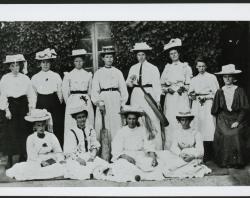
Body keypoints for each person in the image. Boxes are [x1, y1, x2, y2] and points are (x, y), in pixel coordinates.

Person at [93, 105, 165, 182]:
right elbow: (116, 149)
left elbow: (148, 145)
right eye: (129, 119)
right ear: (126, 119)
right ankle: (136, 175)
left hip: (140, 155)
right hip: (126, 156)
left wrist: (153, 158)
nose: (131, 121)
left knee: (153, 164)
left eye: (134, 119)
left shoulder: (142, 130)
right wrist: (126, 157)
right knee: (122, 165)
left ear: (137, 119)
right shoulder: (122, 131)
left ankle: (136, 175)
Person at [6, 109, 65, 181]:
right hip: (36, 161)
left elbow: (58, 151)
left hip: (50, 159)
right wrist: (41, 162)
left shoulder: (51, 136)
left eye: (43, 125)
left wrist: (60, 159)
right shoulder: (31, 138)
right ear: (34, 127)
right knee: (30, 170)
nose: (41, 128)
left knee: (62, 166)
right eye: (39, 125)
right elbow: (31, 155)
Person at [0, 54, 36, 167]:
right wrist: (6, 110)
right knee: (10, 132)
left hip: (22, 106)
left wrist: (31, 108)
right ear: (9, 67)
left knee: (23, 130)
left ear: (20, 66)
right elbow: (3, 95)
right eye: (12, 65)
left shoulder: (25, 78)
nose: (15, 68)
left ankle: (22, 155)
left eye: (17, 65)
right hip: (11, 106)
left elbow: (31, 94)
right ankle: (9, 158)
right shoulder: (5, 78)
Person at [212, 64, 249, 168]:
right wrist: (216, 124)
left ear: (234, 78)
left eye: (229, 76)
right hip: (223, 118)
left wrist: (238, 121)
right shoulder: (219, 91)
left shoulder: (239, 90)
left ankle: (237, 162)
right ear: (222, 78)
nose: (227, 79)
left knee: (236, 133)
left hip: (237, 118)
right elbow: (215, 110)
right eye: (225, 76)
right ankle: (225, 161)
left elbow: (244, 109)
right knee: (226, 133)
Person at [126, 42, 163, 150]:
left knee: (152, 119)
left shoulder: (153, 68)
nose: (140, 57)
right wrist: (131, 80)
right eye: (138, 55)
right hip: (136, 94)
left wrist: (157, 100)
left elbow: (157, 85)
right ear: (136, 56)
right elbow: (128, 84)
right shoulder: (133, 68)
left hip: (149, 94)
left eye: (142, 55)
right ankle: (139, 147)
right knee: (139, 119)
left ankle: (155, 147)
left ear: (146, 55)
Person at [161, 38, 193, 149]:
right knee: (170, 119)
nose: (173, 55)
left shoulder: (185, 66)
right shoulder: (167, 68)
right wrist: (167, 89)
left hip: (181, 96)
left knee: (182, 117)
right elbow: (162, 85)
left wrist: (183, 88)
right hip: (170, 97)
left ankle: (184, 145)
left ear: (178, 54)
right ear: (169, 56)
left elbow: (190, 84)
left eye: (175, 53)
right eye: (171, 54)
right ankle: (170, 148)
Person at [91, 46, 128, 142]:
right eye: (107, 57)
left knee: (116, 123)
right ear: (103, 58)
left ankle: (117, 148)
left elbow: (123, 89)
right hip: (104, 99)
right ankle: (104, 149)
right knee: (104, 123)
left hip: (115, 99)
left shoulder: (118, 72)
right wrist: (99, 103)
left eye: (111, 57)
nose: (109, 59)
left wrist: (122, 103)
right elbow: (94, 90)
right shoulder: (98, 73)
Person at [63, 106, 108, 180]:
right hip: (77, 158)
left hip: (89, 156)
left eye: (83, 117)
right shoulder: (71, 132)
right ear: (75, 119)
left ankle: (93, 172)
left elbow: (94, 145)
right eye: (79, 117)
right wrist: (79, 159)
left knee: (105, 165)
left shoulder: (90, 129)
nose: (82, 119)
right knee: (79, 170)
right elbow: (69, 151)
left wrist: (92, 157)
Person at [62, 49, 94, 150]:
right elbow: (65, 91)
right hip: (73, 100)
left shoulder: (88, 75)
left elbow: (90, 90)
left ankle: (88, 146)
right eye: (76, 61)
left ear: (83, 61)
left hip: (85, 100)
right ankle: (72, 149)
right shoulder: (68, 75)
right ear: (73, 62)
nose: (78, 63)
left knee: (87, 121)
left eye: (80, 61)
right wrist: (70, 103)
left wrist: (86, 100)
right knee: (72, 123)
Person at [189, 57, 219, 162]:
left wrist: (206, 97)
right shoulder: (194, 79)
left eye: (203, 66)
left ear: (206, 66)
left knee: (209, 126)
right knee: (198, 125)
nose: (201, 68)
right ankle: (201, 153)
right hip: (197, 104)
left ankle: (211, 153)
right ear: (196, 67)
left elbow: (217, 93)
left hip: (208, 103)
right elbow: (190, 93)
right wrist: (192, 96)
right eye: (199, 66)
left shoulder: (212, 77)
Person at [164, 111, 211, 178]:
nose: (185, 122)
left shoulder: (196, 133)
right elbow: (173, 147)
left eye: (187, 120)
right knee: (167, 156)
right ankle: (181, 166)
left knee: (185, 162)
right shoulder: (177, 132)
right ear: (179, 121)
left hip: (192, 156)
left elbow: (201, 150)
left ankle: (184, 166)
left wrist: (192, 156)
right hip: (182, 156)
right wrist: (180, 154)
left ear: (190, 120)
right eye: (182, 120)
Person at [31, 48, 64, 145]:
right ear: (40, 64)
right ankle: (43, 146)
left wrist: (59, 103)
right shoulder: (35, 77)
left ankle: (57, 146)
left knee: (56, 124)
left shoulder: (56, 75)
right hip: (41, 102)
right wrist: (34, 107)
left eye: (47, 62)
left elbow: (60, 91)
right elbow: (34, 93)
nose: (45, 64)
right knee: (42, 124)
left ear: (50, 63)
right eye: (43, 62)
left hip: (54, 101)